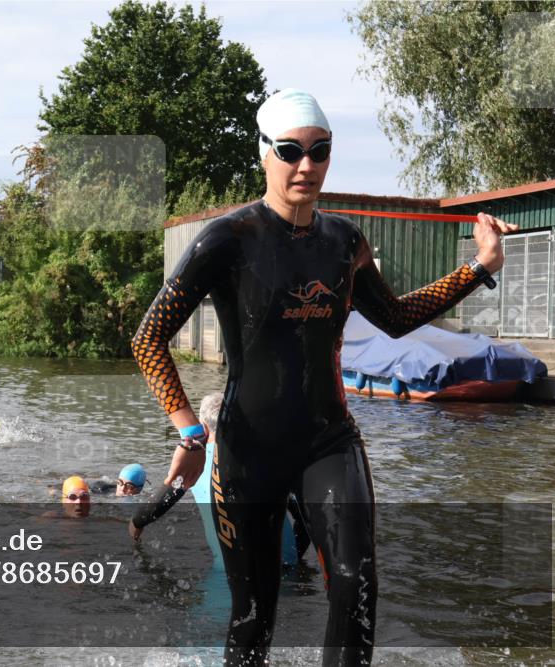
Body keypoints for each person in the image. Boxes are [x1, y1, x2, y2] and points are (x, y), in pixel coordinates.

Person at [129, 88, 516, 666]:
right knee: (253, 618)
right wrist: (190, 432)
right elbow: (148, 337)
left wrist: (480, 266)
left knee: (357, 586)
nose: (305, 165)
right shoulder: (227, 241)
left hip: (327, 441)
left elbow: (396, 317)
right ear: (264, 154)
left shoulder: (344, 242)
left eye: (319, 151)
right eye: (289, 151)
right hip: (248, 450)